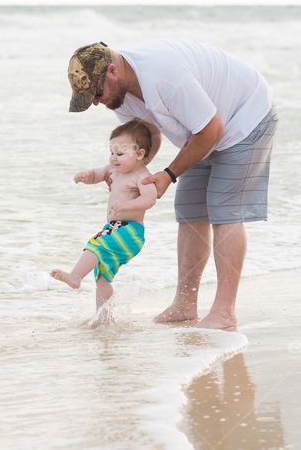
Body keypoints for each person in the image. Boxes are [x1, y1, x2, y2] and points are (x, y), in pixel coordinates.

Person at [66, 39, 277, 330]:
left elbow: (211, 129)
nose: (96, 102)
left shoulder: (163, 75)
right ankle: (185, 304)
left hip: (245, 116)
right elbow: (147, 136)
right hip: (200, 129)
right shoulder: (122, 95)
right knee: (190, 210)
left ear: (112, 71)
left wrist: (168, 174)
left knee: (223, 209)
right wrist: (131, 177)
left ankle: (224, 310)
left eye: (97, 93)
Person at [49, 120, 158, 323]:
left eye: (120, 154)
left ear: (140, 154)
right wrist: (86, 176)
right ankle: (103, 318)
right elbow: (97, 174)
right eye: (112, 152)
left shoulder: (142, 177)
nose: (114, 158)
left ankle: (75, 277)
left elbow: (150, 199)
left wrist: (127, 206)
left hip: (130, 231)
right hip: (115, 228)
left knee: (96, 245)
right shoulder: (113, 170)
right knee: (102, 277)